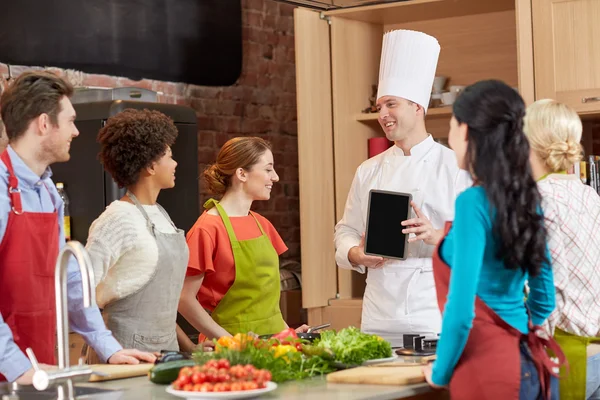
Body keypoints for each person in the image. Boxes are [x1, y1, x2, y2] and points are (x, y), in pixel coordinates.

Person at [0, 71, 155, 384]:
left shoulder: (48, 193)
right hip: (13, 369)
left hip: (39, 365)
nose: (76, 131)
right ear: (44, 124)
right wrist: (19, 368)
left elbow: (71, 282)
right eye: (70, 121)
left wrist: (109, 348)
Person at [422, 80, 564, 399]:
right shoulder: (528, 198)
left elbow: (460, 313)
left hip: (489, 372)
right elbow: (544, 300)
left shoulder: (472, 203)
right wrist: (517, 332)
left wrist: (439, 372)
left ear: (467, 131)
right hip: (533, 365)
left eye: (452, 125)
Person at [333, 29, 471, 347]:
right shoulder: (368, 170)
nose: (382, 114)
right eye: (379, 107)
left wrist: (437, 235)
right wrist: (356, 254)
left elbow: (481, 241)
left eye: (391, 105)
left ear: (417, 107)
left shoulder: (456, 167)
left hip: (436, 310)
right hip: (379, 312)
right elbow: (346, 231)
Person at [178, 137, 307, 346]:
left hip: (275, 348)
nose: (275, 177)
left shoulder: (262, 225)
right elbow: (184, 299)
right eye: (268, 169)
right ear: (241, 174)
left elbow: (264, 303)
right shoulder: (207, 229)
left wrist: (288, 333)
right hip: (232, 352)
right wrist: (229, 342)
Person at [83, 109, 189, 362]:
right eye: (170, 156)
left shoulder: (161, 215)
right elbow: (81, 294)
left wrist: (189, 349)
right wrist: (110, 352)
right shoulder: (117, 219)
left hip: (168, 354)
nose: (175, 164)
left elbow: (161, 309)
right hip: (124, 357)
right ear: (151, 166)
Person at [524, 99, 600, 399]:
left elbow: (547, 288)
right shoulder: (589, 195)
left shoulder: (538, 199)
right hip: (594, 349)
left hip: (564, 355)